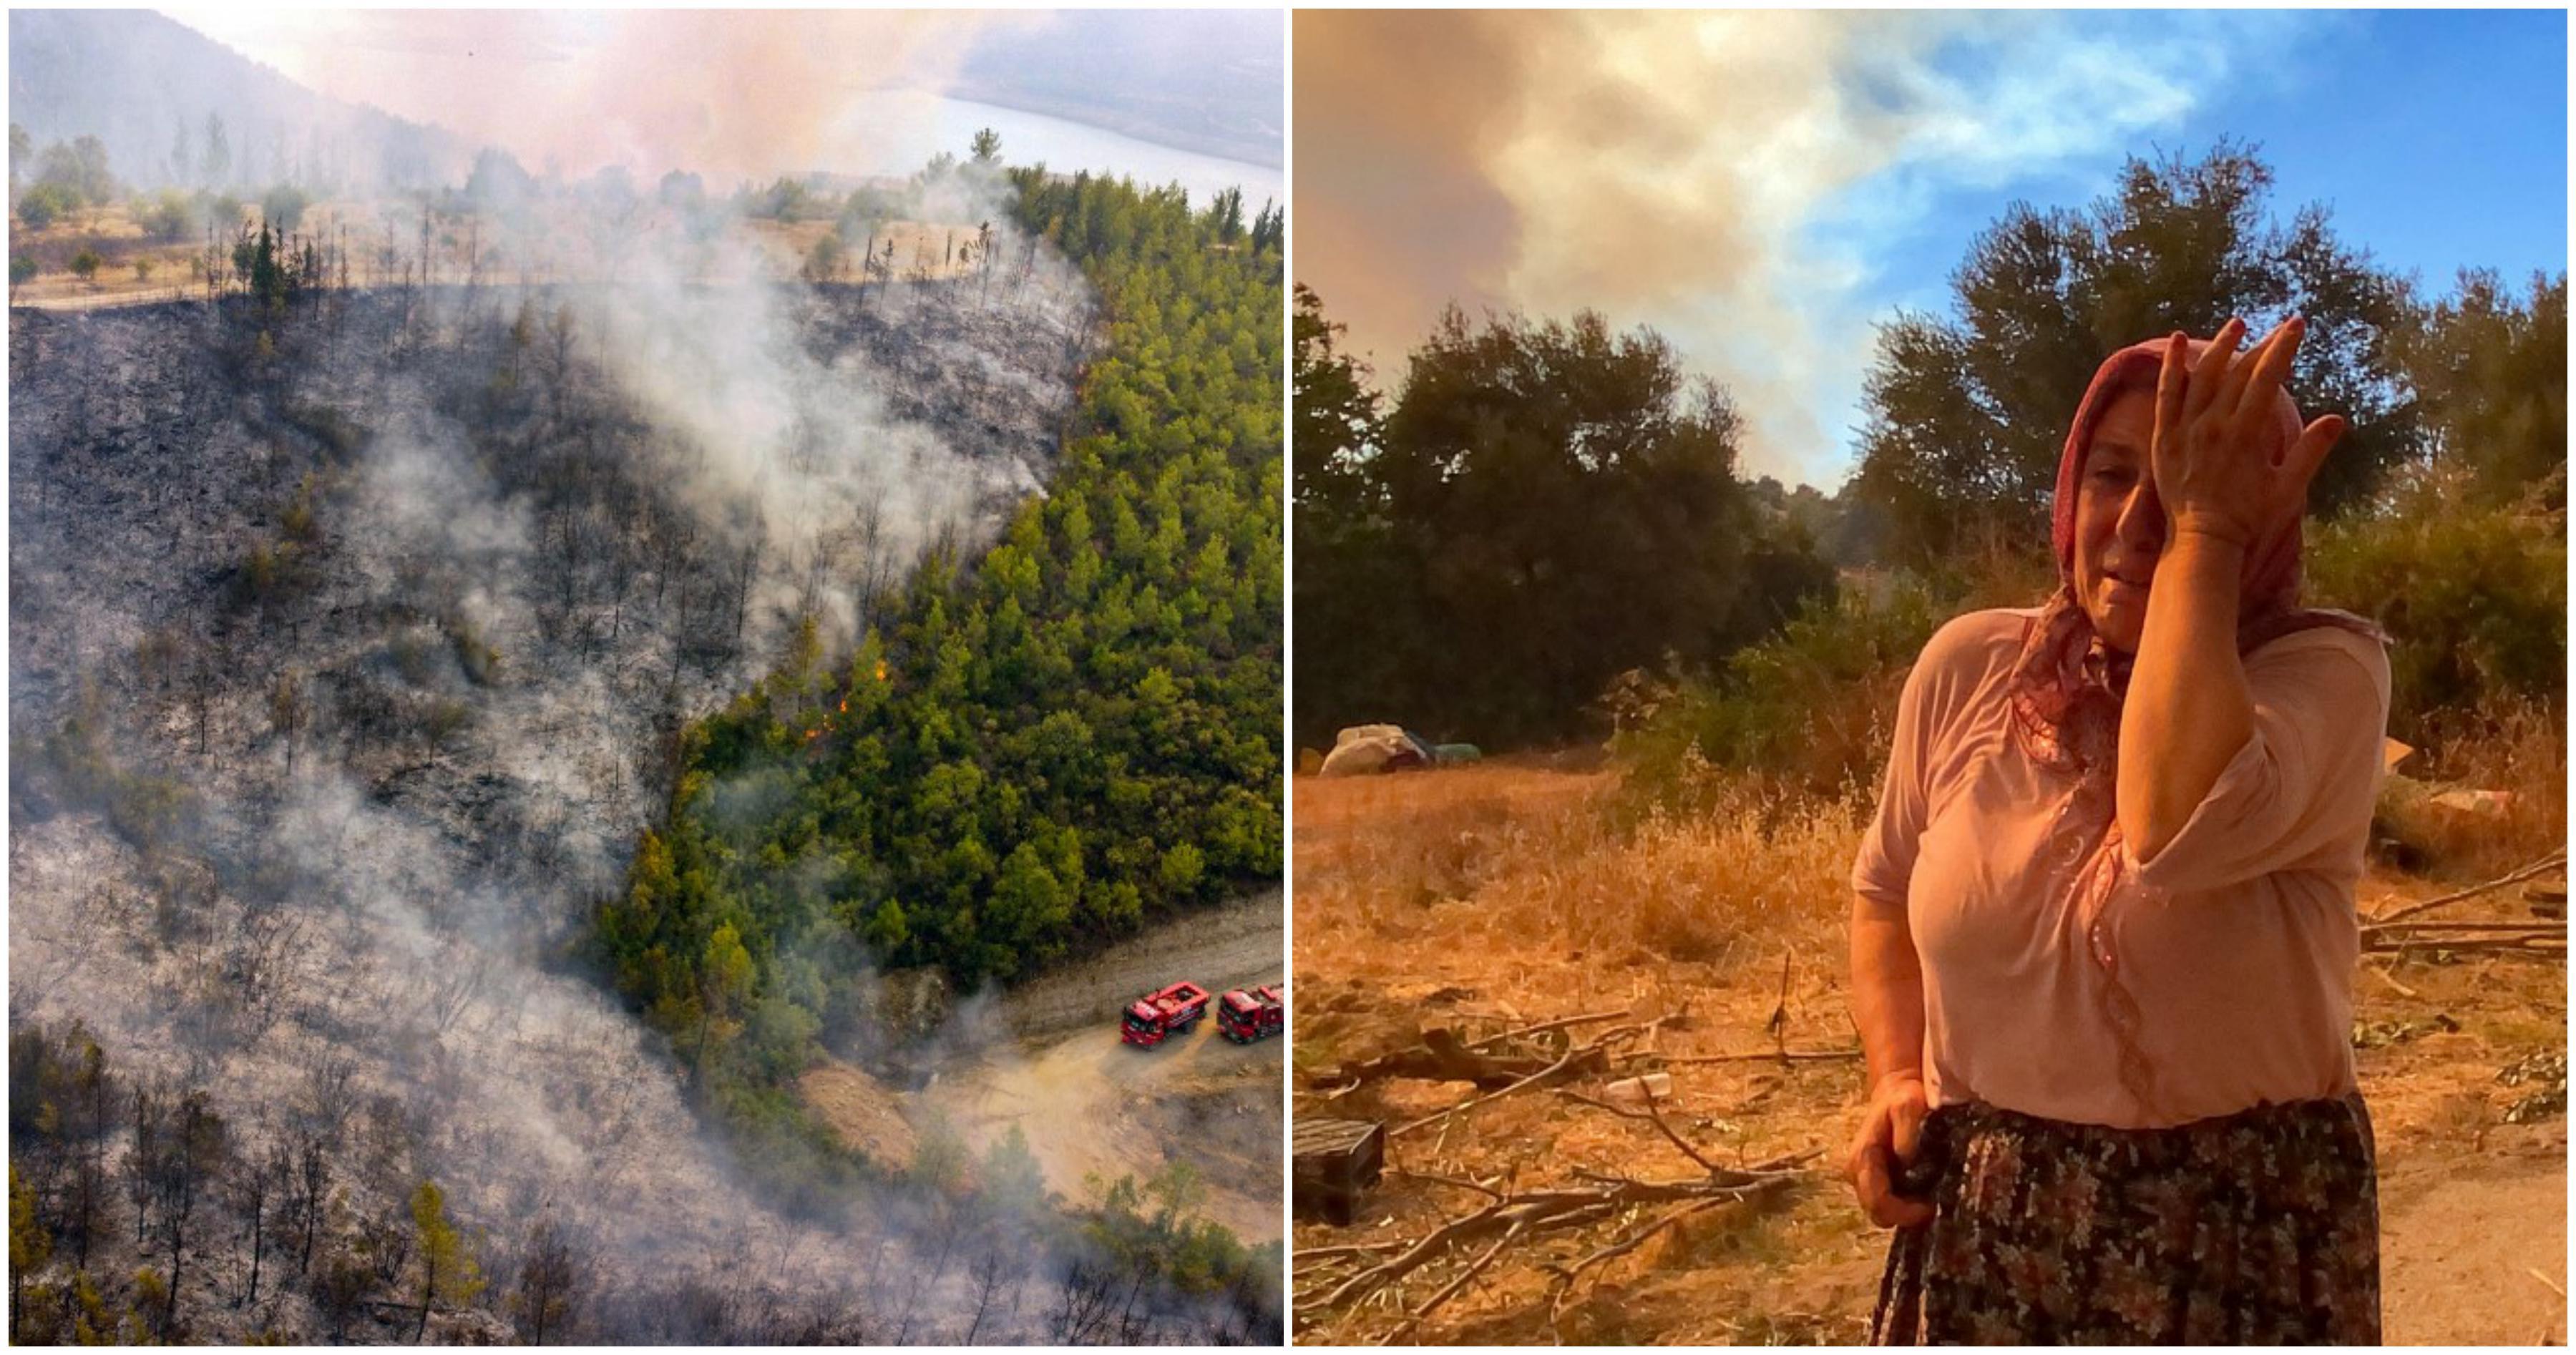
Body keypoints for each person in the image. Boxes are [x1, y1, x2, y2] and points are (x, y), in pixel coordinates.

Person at [1845, 318, 2391, 1344]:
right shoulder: (1971, 667)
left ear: (2264, 508)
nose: (2140, 523)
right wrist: (1896, 1073)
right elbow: (1883, 891)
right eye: (2109, 475)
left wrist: (2211, 539)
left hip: (2231, 1237)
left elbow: (2173, 820)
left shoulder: (2323, 677)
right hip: (1989, 1233)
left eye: (2185, 486)